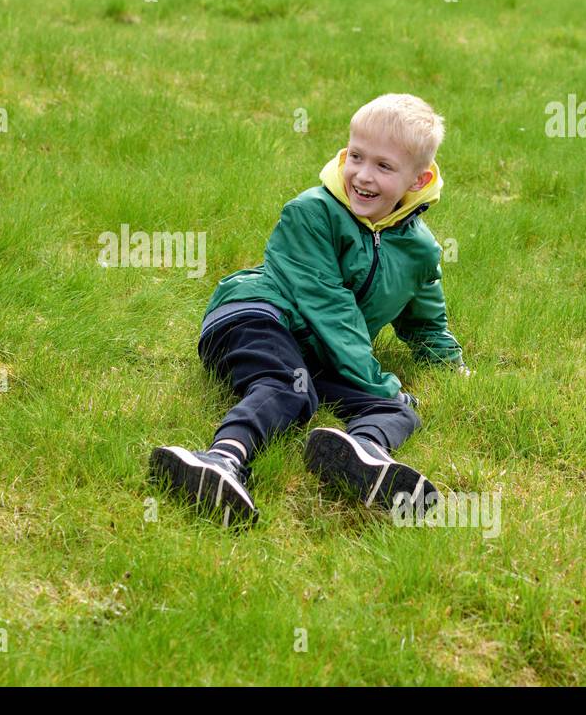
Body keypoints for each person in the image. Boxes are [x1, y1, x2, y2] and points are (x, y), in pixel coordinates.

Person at [149, 94, 470, 526]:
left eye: (384, 166)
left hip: (315, 352)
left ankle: (364, 453)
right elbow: (329, 308)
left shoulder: (419, 249)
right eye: (356, 156)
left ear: (418, 179)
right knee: (290, 387)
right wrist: (378, 381)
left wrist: (451, 367)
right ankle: (222, 459)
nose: (362, 175)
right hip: (256, 316)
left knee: (398, 409)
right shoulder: (311, 213)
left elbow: (426, 320)